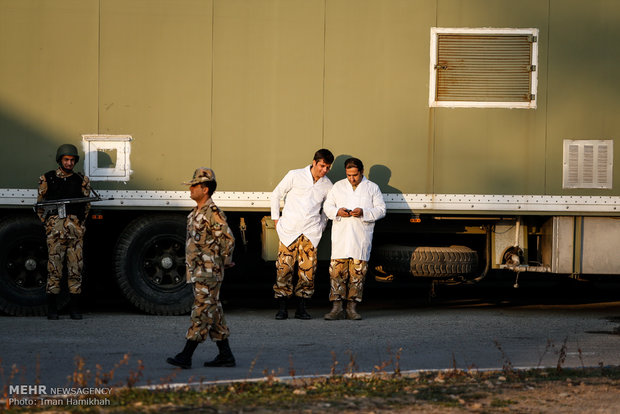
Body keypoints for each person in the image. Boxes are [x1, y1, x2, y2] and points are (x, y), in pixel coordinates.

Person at [167, 167, 236, 369]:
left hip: (209, 272)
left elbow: (228, 239)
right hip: (198, 270)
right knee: (213, 312)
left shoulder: (212, 213)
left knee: (202, 310)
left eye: (194, 185)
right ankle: (226, 355)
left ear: (205, 189)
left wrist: (223, 260)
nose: (191, 188)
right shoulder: (195, 213)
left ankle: (186, 355)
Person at [270, 149, 334, 320]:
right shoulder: (295, 175)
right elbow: (276, 194)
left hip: (310, 233)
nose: (324, 170)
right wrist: (277, 221)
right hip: (289, 230)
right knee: (284, 269)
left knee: (308, 272)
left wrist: (320, 226)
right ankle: (282, 308)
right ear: (314, 162)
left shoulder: (328, 184)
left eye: (327, 167)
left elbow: (327, 209)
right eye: (322, 166)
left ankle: (301, 308)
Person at [323, 157, 386, 320]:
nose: (352, 178)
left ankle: (352, 308)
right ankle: (336, 308)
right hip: (341, 238)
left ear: (362, 171)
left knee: (357, 274)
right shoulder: (338, 186)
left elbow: (381, 210)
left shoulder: (372, 188)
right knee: (336, 273)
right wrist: (338, 211)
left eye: (355, 175)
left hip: (360, 238)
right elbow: (327, 207)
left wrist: (364, 212)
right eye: (349, 175)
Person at [37, 144, 91, 320]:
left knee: (75, 269)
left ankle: (74, 309)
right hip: (55, 233)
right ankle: (52, 309)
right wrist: (49, 224)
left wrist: (80, 225)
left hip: (75, 233)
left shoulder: (81, 180)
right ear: (60, 160)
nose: (69, 163)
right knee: (54, 270)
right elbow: (40, 206)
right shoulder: (48, 178)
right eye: (66, 159)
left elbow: (86, 206)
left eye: (72, 160)